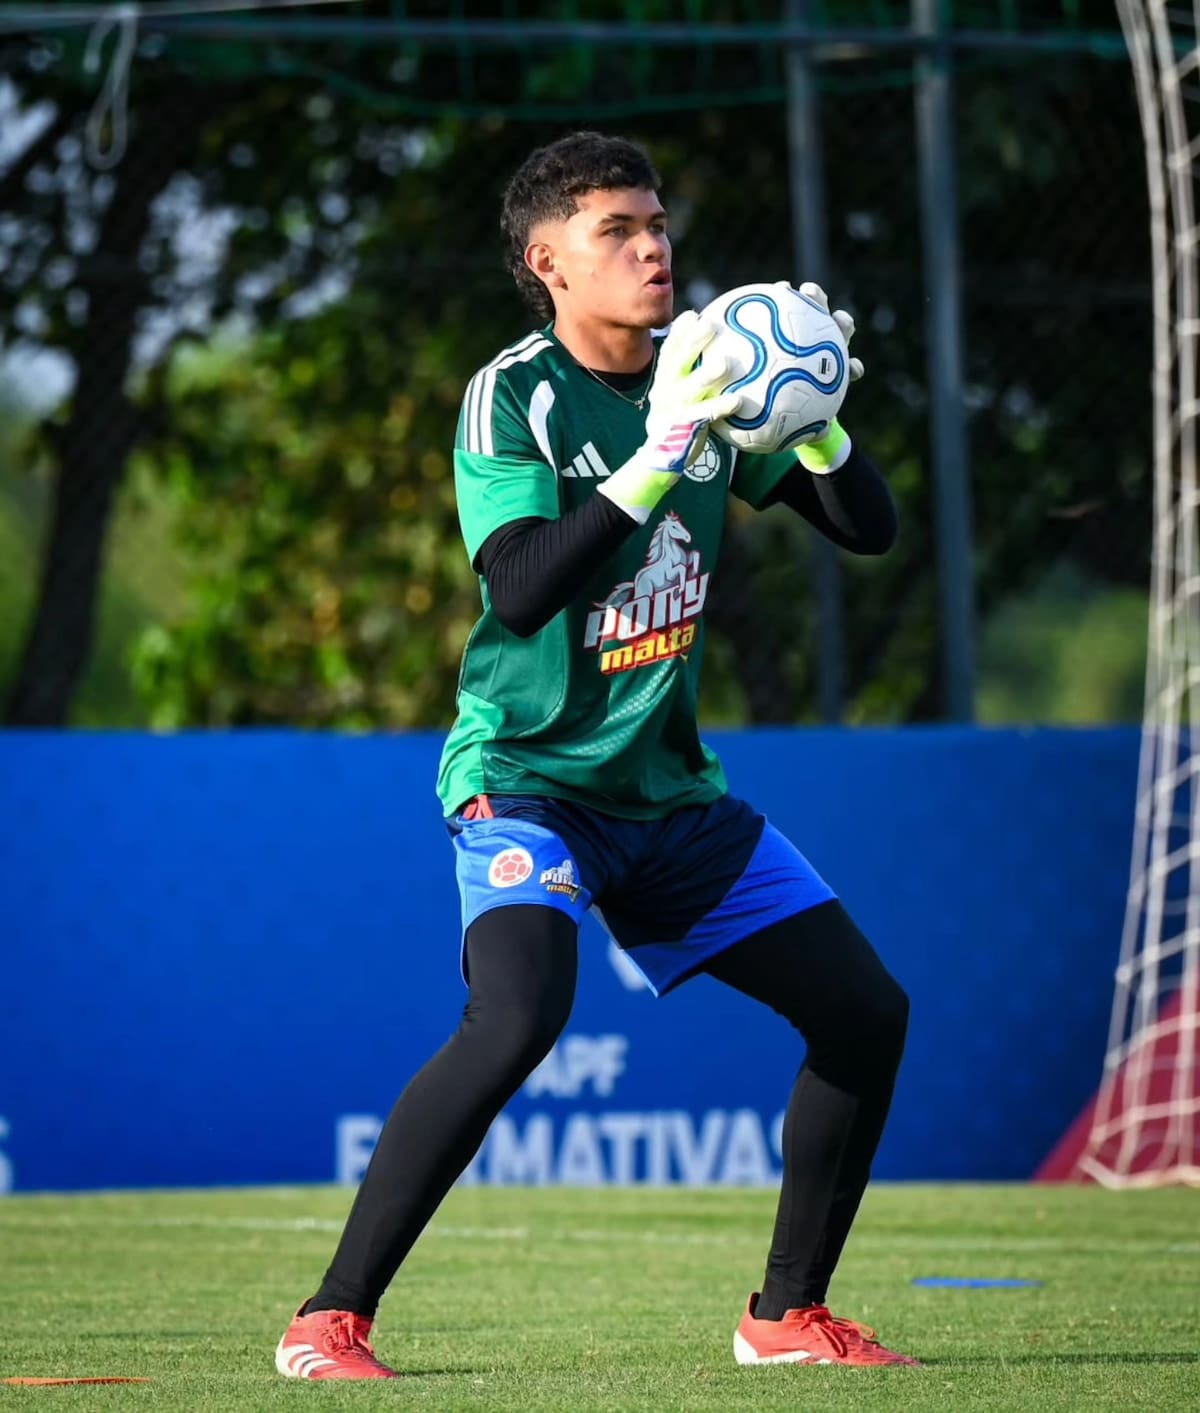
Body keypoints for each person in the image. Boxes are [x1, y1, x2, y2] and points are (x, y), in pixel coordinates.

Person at [275, 130, 916, 1380]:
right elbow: (517, 592)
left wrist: (823, 426)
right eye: (618, 230)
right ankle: (328, 1319)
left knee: (866, 1014)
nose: (653, 246)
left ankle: (784, 1317)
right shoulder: (512, 394)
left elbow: (872, 531)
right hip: (528, 781)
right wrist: (657, 454)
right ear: (548, 260)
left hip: (668, 794)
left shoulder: (715, 375)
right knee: (518, 1016)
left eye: (657, 222)